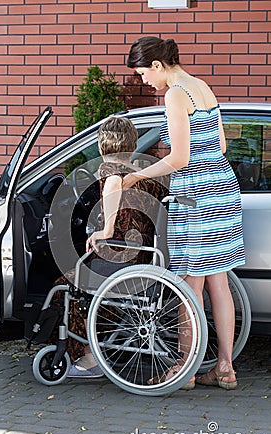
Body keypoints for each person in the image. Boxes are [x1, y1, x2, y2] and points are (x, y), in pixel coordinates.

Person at [124, 36, 245, 390]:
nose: (145, 81)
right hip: (222, 190)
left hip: (196, 194)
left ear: (158, 66)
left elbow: (179, 158)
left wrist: (135, 175)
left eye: (144, 73)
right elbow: (220, 144)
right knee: (218, 282)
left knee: (189, 284)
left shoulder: (175, 94)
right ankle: (225, 367)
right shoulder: (202, 86)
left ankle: (185, 368)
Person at [52, 116, 168, 378]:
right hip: (146, 259)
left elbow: (114, 189)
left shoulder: (110, 173)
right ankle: (99, 342)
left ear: (102, 147)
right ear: (132, 143)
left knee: (64, 286)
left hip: (120, 260)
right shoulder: (145, 176)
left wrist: (104, 231)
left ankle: (89, 358)